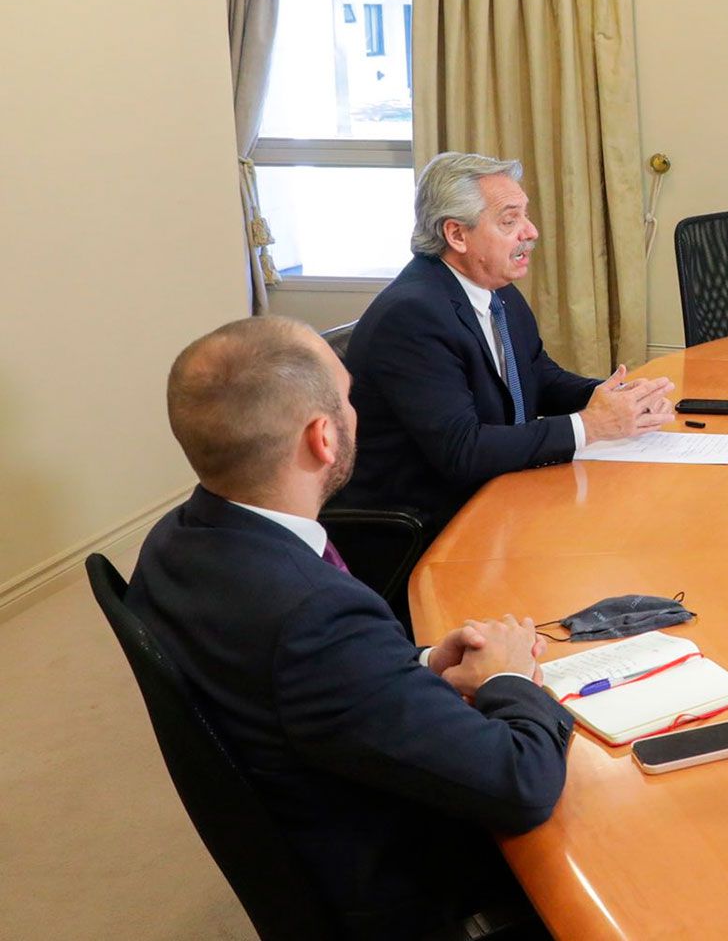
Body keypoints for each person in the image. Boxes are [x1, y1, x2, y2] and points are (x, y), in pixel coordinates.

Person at [129, 316, 572, 938]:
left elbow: (319, 685)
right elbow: (522, 783)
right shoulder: (314, 618)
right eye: (349, 399)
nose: (357, 412)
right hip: (405, 884)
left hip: (323, 792)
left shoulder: (174, 540)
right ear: (323, 438)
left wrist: (420, 667)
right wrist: (510, 678)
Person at [336, 152, 675, 534]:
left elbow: (537, 376)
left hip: (496, 496)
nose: (530, 232)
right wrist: (589, 426)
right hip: (426, 526)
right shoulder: (412, 316)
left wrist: (619, 399)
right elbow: (462, 450)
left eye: (525, 216)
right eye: (509, 220)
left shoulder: (495, 289)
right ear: (456, 235)